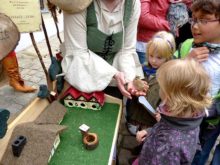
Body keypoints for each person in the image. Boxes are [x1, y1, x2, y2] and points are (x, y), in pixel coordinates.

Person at [60, 0, 147, 100]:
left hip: (114, 80)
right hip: (81, 76)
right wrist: (113, 73)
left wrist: (128, 79)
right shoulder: (77, 3)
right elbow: (78, 53)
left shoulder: (133, 4)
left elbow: (126, 49)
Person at [132, 59, 212, 165]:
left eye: (161, 87)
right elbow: (167, 128)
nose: (159, 90)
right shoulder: (189, 117)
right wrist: (150, 132)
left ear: (171, 97)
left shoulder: (170, 148)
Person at [175, 0, 220, 164]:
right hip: (183, 116)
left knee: (199, 155)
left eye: (204, 20)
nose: (195, 25)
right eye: (193, 19)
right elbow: (168, 76)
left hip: (209, 124)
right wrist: (186, 62)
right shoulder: (187, 46)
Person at [126, 31, 176, 135]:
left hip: (150, 119)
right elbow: (131, 82)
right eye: (151, 55)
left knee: (146, 137)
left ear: (168, 56)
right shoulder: (142, 68)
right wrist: (135, 82)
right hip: (135, 112)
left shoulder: (170, 77)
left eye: (159, 57)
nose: (153, 60)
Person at [136, 0, 191, 65]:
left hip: (168, 44)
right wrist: (171, 25)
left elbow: (195, 7)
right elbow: (143, 18)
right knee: (148, 73)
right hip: (147, 45)